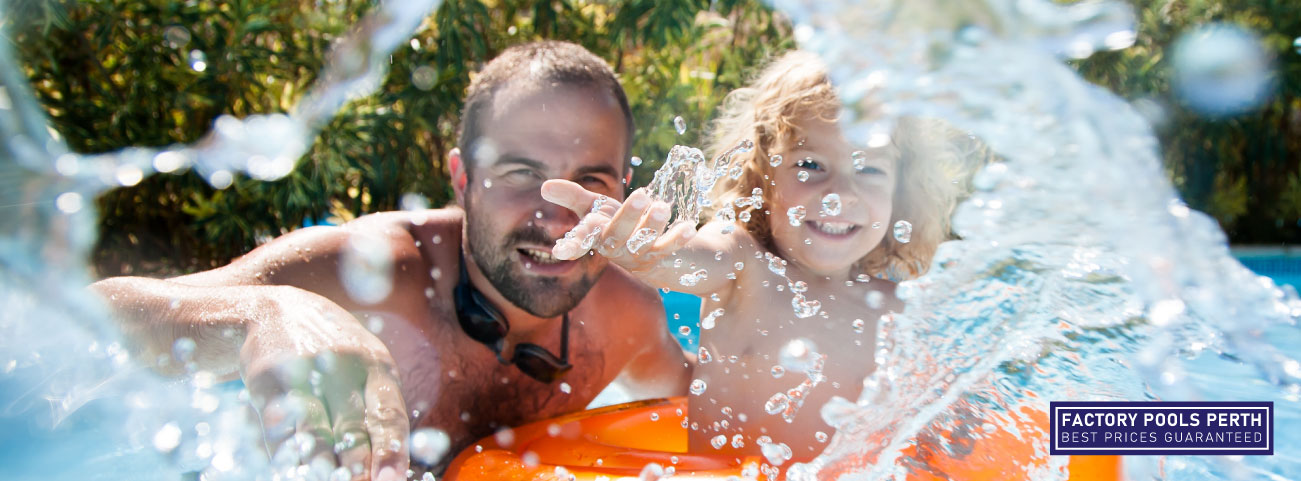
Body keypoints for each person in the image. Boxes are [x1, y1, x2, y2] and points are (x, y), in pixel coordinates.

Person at [89, 41, 690, 480]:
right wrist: (264, 314)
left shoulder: (627, 314)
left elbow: (722, 405)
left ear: (623, 187)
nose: (556, 216)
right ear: (462, 178)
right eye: (521, 174)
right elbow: (95, 317)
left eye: (589, 180)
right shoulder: (363, 274)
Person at [543, 50, 971, 464]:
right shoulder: (745, 263)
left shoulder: (898, 310)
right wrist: (646, 253)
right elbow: (693, 259)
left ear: (901, 193)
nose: (840, 193)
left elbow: (946, 426)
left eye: (870, 170)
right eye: (810, 165)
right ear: (764, 175)